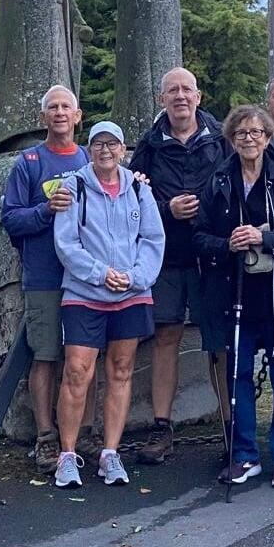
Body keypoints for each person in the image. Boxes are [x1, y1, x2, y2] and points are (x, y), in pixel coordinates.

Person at [195, 105, 274, 489]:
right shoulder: (217, 182)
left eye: (256, 133)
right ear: (231, 140)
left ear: (268, 138)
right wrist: (225, 244)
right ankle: (244, 455)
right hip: (234, 295)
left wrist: (266, 239)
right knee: (238, 375)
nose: (249, 139)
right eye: (241, 133)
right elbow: (198, 237)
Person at [51, 121, 166, 488]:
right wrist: (102, 274)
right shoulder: (75, 187)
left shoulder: (138, 188)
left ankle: (110, 453)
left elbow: (152, 238)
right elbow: (66, 243)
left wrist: (135, 277)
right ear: (88, 149)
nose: (105, 150)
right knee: (77, 371)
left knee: (121, 370)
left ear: (123, 150)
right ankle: (67, 455)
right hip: (85, 294)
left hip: (131, 293)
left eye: (112, 144)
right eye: (98, 144)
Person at [127, 67, 229, 465]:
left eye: (187, 89)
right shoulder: (149, 147)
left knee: (218, 341)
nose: (181, 96)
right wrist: (166, 209)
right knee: (165, 337)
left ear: (199, 97)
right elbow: (134, 199)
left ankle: (230, 425)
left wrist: (209, 209)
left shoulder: (221, 140)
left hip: (211, 255)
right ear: (162, 99)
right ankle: (161, 427)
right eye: (173, 90)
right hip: (165, 257)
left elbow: (236, 188)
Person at [1, 85, 91, 473]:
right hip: (44, 275)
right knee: (46, 356)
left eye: (65, 107)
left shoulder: (90, 157)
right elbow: (10, 219)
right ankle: (45, 436)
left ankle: (81, 433)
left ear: (77, 115)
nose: (58, 113)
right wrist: (45, 211)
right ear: (42, 118)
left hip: (87, 277)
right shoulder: (29, 161)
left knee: (85, 359)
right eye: (51, 107)